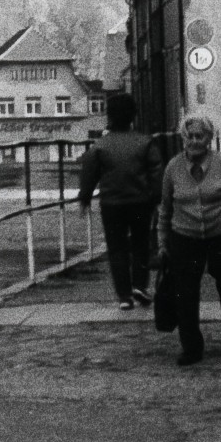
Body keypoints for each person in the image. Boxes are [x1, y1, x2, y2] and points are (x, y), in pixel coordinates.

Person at [157, 114, 221, 366]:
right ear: (183, 139)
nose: (194, 141)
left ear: (208, 139)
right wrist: (162, 242)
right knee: (185, 292)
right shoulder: (173, 168)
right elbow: (165, 209)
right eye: (189, 136)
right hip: (185, 236)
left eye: (199, 136)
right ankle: (191, 346)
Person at [77, 94, 162, 310]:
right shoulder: (145, 142)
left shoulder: (100, 146)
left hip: (112, 204)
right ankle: (140, 286)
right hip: (141, 202)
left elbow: (89, 173)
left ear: (110, 116)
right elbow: (156, 172)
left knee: (117, 248)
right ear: (133, 115)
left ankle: (124, 296)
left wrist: (85, 197)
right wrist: (157, 198)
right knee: (141, 244)